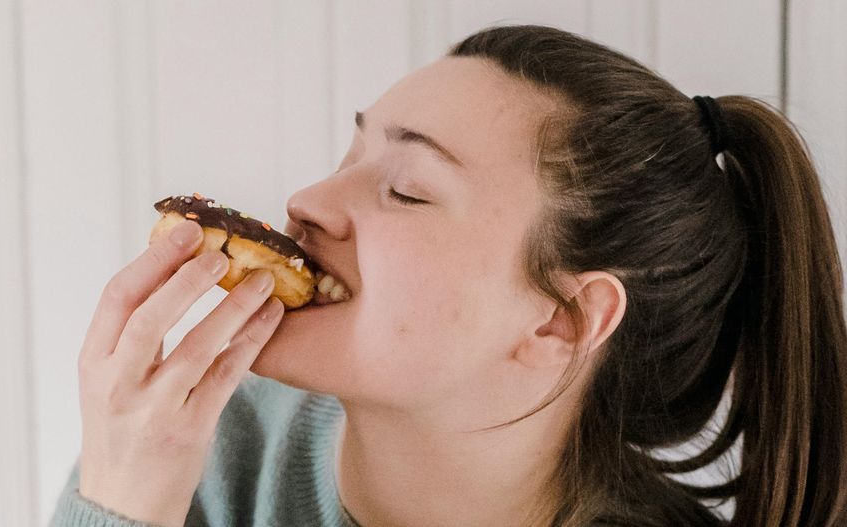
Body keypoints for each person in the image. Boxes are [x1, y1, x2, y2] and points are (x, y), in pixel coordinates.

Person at [50, 24, 847, 527]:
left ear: (560, 320)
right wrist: (122, 505)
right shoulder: (198, 453)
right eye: (350, 153)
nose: (308, 201)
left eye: (406, 189)